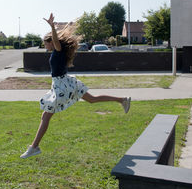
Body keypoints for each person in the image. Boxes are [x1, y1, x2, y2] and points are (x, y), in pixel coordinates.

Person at [20, 13, 131, 159]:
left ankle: (34, 147)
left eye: (46, 43)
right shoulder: (57, 52)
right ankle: (122, 100)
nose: (44, 45)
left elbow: (56, 40)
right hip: (67, 83)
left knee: (46, 116)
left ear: (52, 42)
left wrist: (52, 27)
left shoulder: (58, 50)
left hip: (62, 85)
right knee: (92, 99)